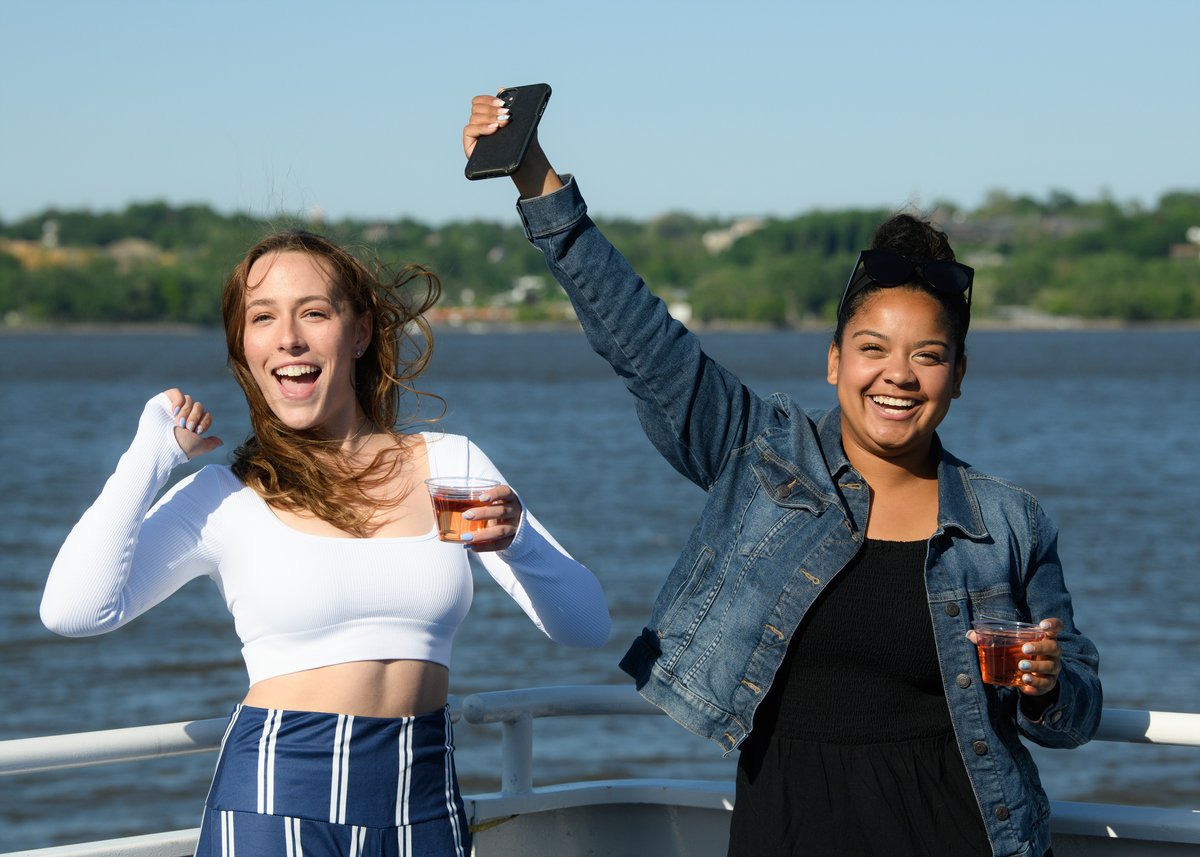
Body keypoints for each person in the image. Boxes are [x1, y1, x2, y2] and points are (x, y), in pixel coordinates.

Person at [463, 93, 1101, 857]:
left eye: (927, 356)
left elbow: (1077, 708)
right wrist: (533, 174)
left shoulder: (1009, 523)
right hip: (791, 830)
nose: (897, 375)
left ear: (958, 375)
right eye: (872, 348)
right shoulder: (761, 458)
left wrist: (1047, 681)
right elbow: (639, 341)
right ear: (834, 360)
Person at [40, 229, 611, 856]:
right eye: (263, 318)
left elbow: (585, 625)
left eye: (313, 312)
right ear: (246, 347)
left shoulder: (449, 468)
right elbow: (74, 611)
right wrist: (149, 457)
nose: (288, 337)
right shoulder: (226, 496)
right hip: (277, 799)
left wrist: (517, 539)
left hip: (423, 804)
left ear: (361, 332)